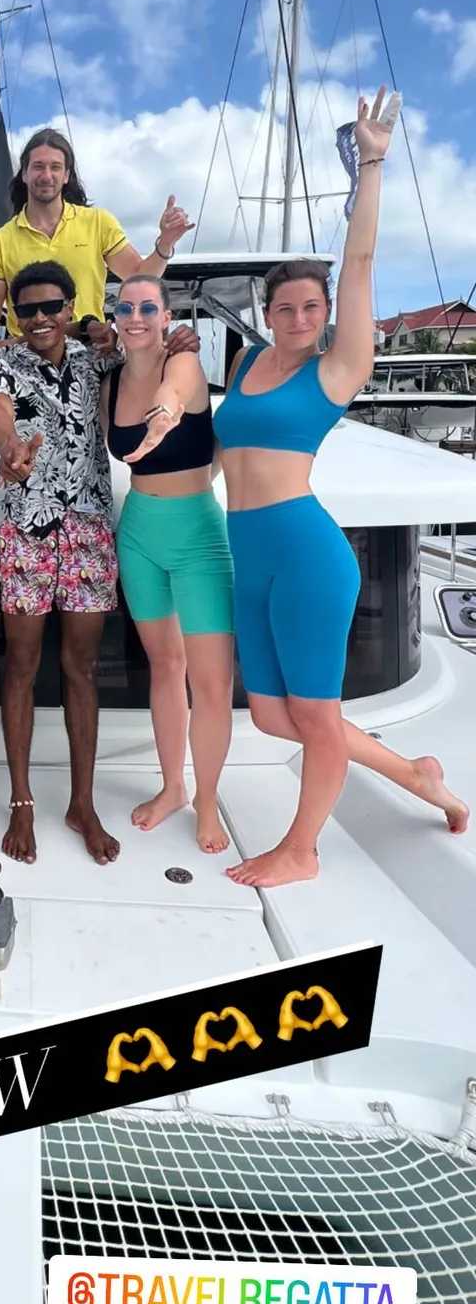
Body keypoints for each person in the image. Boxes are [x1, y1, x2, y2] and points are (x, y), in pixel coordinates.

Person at [213, 87, 468, 888]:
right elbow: (221, 451)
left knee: (316, 716)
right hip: (247, 553)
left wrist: (372, 164)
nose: (297, 318)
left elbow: (358, 262)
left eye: (310, 307)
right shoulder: (247, 363)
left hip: (306, 553)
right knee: (271, 713)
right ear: (267, 311)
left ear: (325, 312)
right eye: (284, 307)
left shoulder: (337, 368)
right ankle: (415, 773)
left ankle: (303, 848)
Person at [0, 262, 121, 866]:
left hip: (87, 526)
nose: (39, 318)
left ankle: (82, 804)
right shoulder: (1, 363)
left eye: (51, 306)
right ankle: (22, 801)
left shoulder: (98, 360)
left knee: (81, 668)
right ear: (14, 314)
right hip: (28, 529)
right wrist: (10, 447)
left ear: (70, 306)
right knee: (21, 666)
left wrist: (170, 339)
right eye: (27, 309)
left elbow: (144, 358)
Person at [103, 275, 235, 854]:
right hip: (138, 533)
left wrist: (164, 415)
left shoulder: (182, 362)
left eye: (147, 308)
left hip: (199, 536)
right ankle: (173, 787)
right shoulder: (109, 380)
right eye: (125, 307)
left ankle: (207, 801)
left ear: (166, 317)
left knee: (211, 683)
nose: (135, 317)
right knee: (165, 665)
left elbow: (177, 393)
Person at [0, 126, 194, 340]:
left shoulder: (98, 223)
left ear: (66, 175)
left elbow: (140, 276)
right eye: (38, 166)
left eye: (55, 167)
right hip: (28, 355)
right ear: (24, 174)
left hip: (89, 348)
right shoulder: (0, 241)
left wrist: (166, 243)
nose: (46, 175)